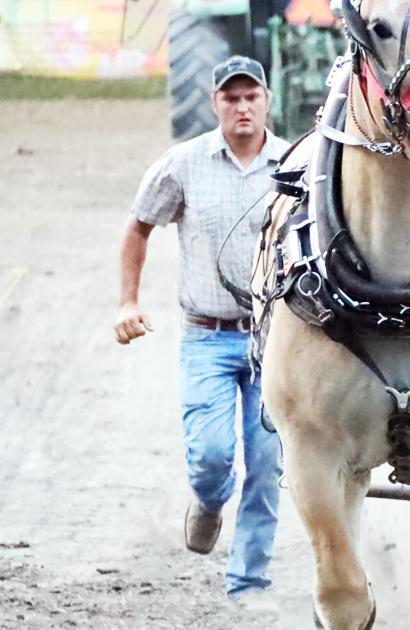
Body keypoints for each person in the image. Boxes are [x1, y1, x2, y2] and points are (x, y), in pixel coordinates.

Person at [113, 56, 290, 612]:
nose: (242, 107)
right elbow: (138, 226)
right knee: (213, 458)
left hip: (274, 341)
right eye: (231, 98)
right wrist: (128, 300)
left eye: (251, 97)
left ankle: (248, 583)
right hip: (207, 339)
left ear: (267, 101)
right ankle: (209, 501)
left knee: (267, 464)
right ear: (214, 103)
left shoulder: (294, 166)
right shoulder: (183, 164)